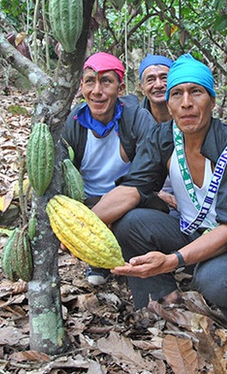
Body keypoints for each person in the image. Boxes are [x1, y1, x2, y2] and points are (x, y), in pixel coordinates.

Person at [92, 53, 227, 333]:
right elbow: (132, 189)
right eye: (177, 94)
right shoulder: (164, 136)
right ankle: (163, 300)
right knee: (129, 223)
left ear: (212, 100)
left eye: (196, 92)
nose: (186, 102)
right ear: (169, 101)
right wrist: (82, 225)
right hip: (188, 230)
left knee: (215, 282)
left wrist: (171, 261)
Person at [62, 52, 156, 286]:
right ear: (81, 85)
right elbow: (61, 173)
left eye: (106, 82)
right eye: (90, 81)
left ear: (120, 88)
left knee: (137, 213)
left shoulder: (138, 119)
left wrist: (81, 229)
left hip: (128, 198)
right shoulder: (72, 122)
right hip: (88, 201)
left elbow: (147, 174)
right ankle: (99, 259)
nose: (97, 91)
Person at [138, 54, 177, 211]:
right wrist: (156, 193)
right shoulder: (134, 123)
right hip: (148, 198)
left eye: (164, 78)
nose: (158, 85)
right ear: (142, 88)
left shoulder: (190, 117)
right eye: (151, 79)